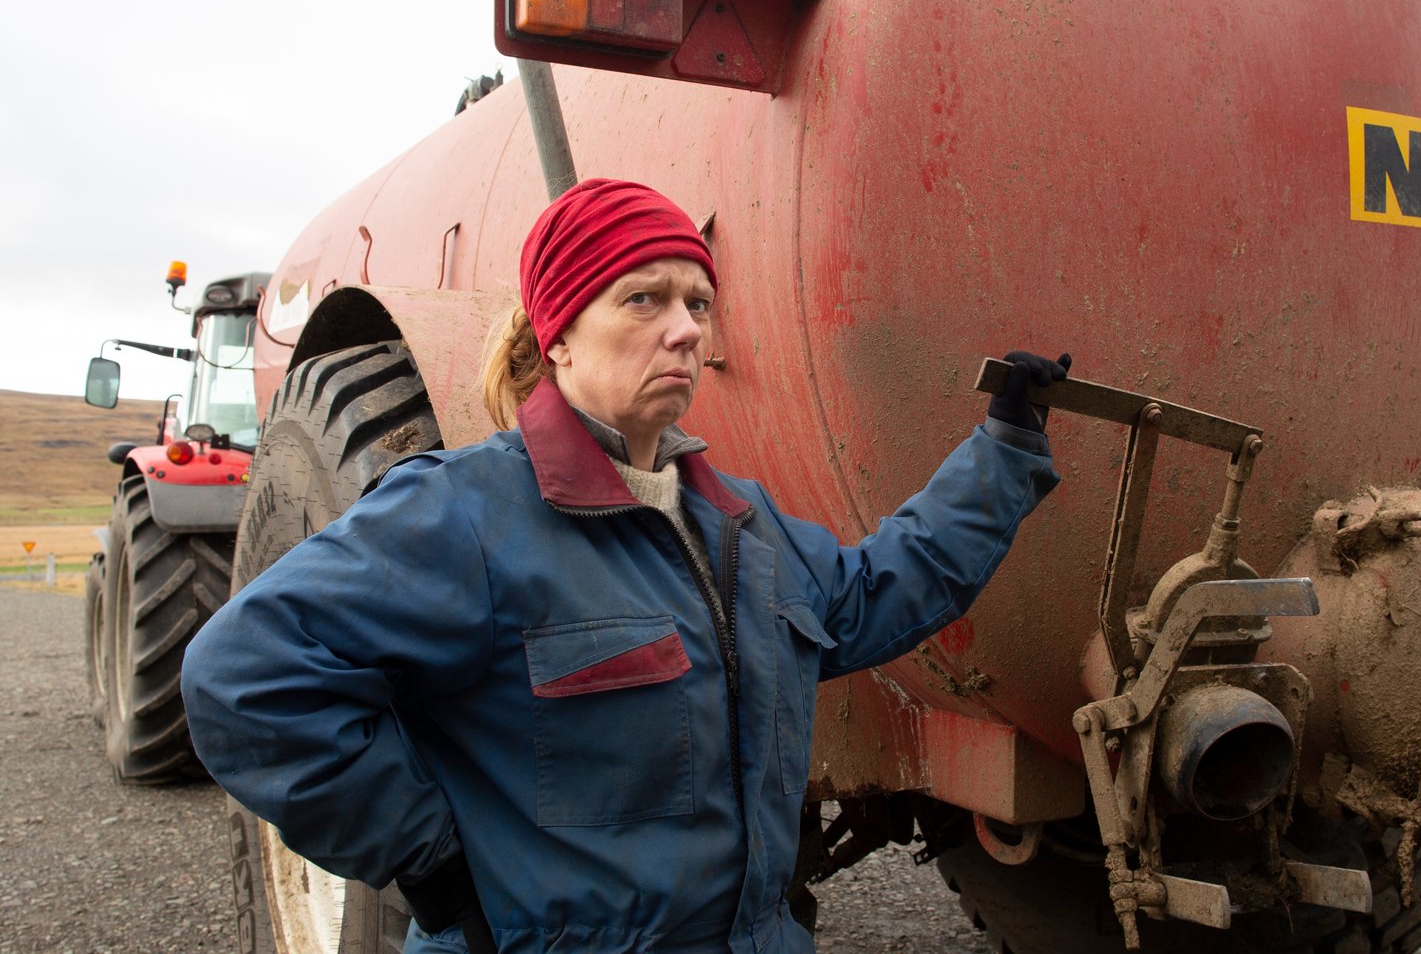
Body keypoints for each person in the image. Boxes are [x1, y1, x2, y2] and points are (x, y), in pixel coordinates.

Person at [181, 178, 1069, 954]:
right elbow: (242, 677)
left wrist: (1004, 450)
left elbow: (878, 589)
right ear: (560, 334)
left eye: (698, 303)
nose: (685, 330)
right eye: (643, 300)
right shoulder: (466, 515)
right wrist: (440, 865)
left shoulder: (737, 522)